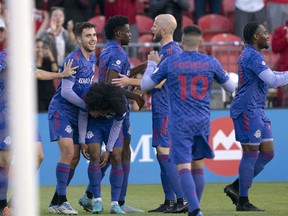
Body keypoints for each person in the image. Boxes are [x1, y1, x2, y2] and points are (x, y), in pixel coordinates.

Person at [141, 24, 235, 216]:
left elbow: (145, 85)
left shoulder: (171, 62)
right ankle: (194, 208)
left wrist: (152, 63)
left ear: (182, 41)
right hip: (202, 120)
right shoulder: (211, 62)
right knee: (198, 166)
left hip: (180, 121)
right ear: (201, 41)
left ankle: (195, 209)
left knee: (183, 166)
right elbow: (231, 87)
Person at [112, 14, 188, 213]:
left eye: (154, 25)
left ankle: (182, 199)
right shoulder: (167, 50)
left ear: (164, 30)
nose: (151, 28)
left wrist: (130, 82)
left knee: (164, 153)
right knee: (161, 153)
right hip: (162, 108)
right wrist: (142, 88)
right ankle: (170, 201)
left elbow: (161, 81)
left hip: (167, 110)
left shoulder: (171, 51)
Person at [78, 15, 144, 214]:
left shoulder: (109, 49)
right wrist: (135, 96)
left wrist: (139, 68)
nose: (130, 33)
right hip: (115, 108)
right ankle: (118, 202)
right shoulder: (118, 53)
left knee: (117, 154)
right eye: (127, 30)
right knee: (120, 153)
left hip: (111, 107)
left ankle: (91, 196)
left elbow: (117, 76)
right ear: (118, 33)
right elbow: (112, 84)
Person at [224, 22, 288, 211]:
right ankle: (243, 201)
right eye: (264, 33)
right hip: (246, 110)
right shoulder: (252, 56)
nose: (268, 36)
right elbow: (273, 81)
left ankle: (236, 187)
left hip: (257, 109)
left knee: (267, 152)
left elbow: (271, 76)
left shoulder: (254, 55)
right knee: (251, 154)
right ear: (255, 37)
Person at [47, 22, 97, 215]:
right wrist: (88, 106)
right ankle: (62, 201)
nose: (92, 38)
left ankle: (55, 202)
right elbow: (66, 91)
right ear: (78, 39)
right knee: (68, 152)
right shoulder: (73, 59)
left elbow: (84, 94)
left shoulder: (91, 60)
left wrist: (83, 137)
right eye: (88, 36)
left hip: (77, 114)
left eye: (94, 35)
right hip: (61, 110)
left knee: (74, 158)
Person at [78, 82, 128, 214]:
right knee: (94, 156)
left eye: (98, 112)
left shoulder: (120, 105)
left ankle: (115, 204)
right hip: (94, 126)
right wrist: (82, 141)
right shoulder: (88, 96)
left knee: (117, 157)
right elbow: (83, 118)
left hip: (111, 126)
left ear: (106, 109)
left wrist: (109, 150)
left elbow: (117, 127)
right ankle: (97, 201)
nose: (93, 113)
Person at [35, 38, 59, 112]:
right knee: (41, 121)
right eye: (37, 47)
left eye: (42, 47)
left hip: (50, 96)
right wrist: (38, 58)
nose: (40, 50)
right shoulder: (30, 63)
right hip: (38, 98)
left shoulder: (47, 60)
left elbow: (55, 71)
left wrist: (51, 56)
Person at [271, 20, 288, 107]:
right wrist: (285, 39)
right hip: (284, 70)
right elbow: (274, 48)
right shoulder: (280, 30)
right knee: (283, 101)